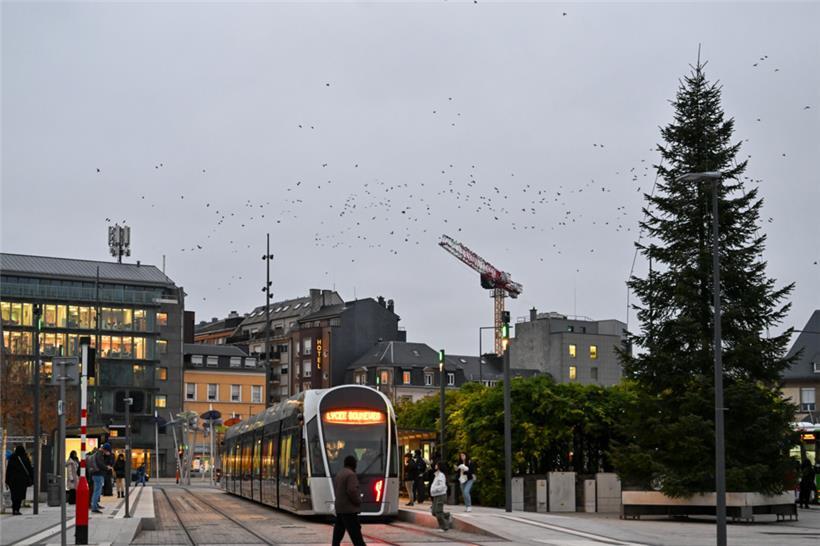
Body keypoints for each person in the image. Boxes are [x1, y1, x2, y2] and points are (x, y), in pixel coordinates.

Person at [332, 455, 366, 546]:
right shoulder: (351, 474)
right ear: (353, 464)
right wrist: (358, 501)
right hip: (349, 509)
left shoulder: (340, 473)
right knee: (356, 534)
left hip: (340, 507)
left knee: (338, 532)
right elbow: (352, 490)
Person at [5, 445, 33, 515]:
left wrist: (7, 480)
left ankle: (14, 509)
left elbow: (8, 470)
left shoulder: (12, 458)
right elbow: (29, 469)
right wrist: (32, 479)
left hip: (13, 481)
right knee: (20, 495)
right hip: (22, 481)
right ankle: (17, 509)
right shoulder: (25, 458)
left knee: (14, 495)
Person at [430, 462, 452, 531]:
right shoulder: (437, 474)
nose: (435, 465)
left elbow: (442, 486)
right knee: (434, 512)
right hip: (435, 495)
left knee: (438, 512)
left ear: (439, 466)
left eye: (436, 464)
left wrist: (434, 489)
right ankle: (447, 515)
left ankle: (444, 527)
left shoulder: (441, 475)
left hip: (440, 494)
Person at [89, 443, 111, 513]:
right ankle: (94, 507)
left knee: (97, 490)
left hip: (96, 474)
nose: (108, 452)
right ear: (105, 449)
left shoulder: (98, 453)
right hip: (98, 474)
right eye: (108, 451)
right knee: (97, 491)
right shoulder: (99, 454)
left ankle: (95, 504)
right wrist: (107, 467)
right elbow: (100, 464)